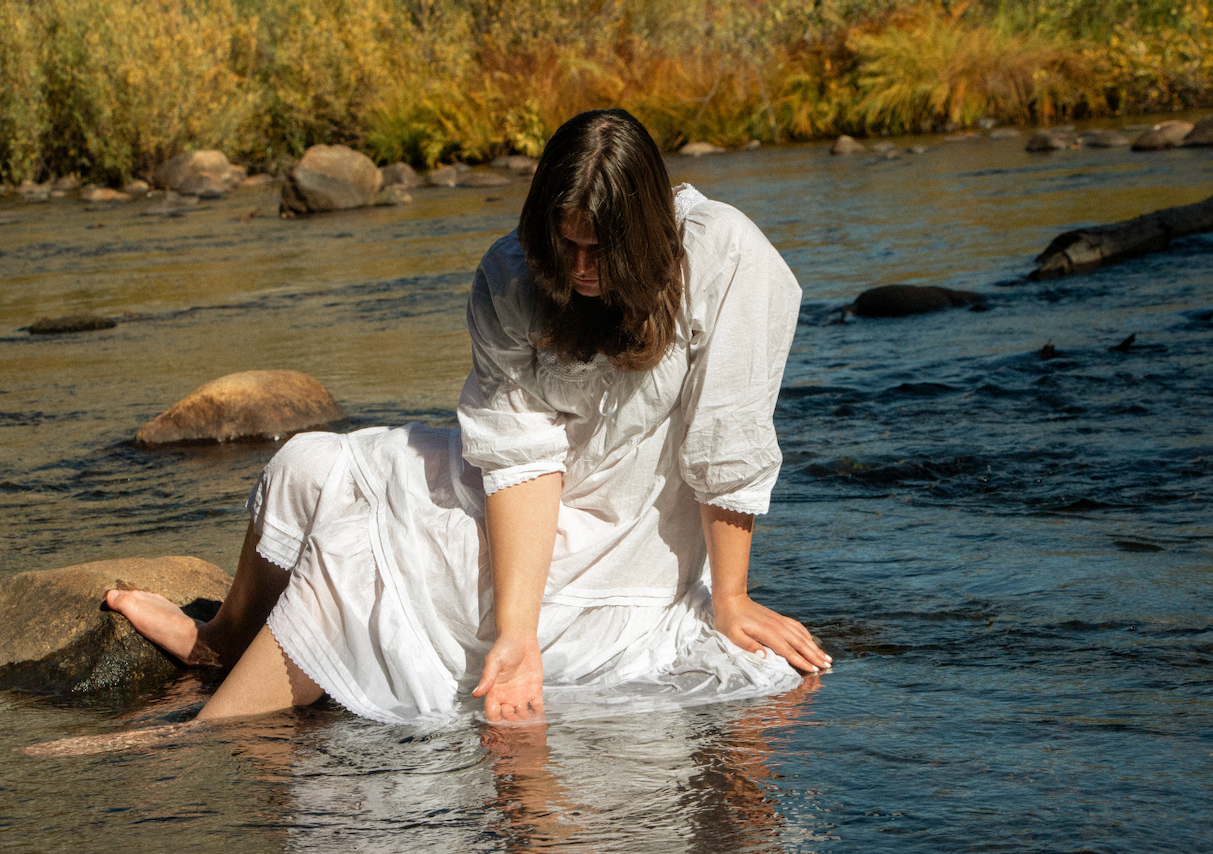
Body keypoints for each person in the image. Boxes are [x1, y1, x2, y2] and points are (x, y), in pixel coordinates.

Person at [105, 108, 829, 728]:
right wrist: (516, 628)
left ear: (641, 233)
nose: (578, 268)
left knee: (356, 561)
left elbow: (726, 439)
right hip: (528, 503)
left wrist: (729, 597)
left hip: (627, 540)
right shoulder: (512, 272)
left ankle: (198, 738)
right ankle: (220, 644)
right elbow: (521, 457)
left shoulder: (726, 255)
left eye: (597, 248)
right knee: (306, 465)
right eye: (564, 244)